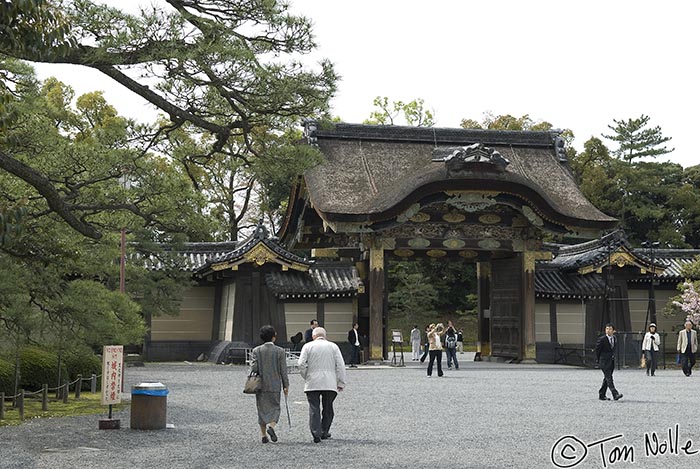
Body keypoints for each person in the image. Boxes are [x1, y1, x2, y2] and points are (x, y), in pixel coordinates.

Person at [298, 327, 347, 443]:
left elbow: (301, 364)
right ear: (325, 336)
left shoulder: (307, 346)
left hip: (312, 381)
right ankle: (324, 431)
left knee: (314, 407)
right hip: (329, 381)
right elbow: (340, 365)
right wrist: (341, 382)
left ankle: (316, 433)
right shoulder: (333, 346)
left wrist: (306, 375)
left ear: (313, 336)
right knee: (328, 407)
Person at [250, 325, 289, 444]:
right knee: (275, 407)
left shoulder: (256, 350)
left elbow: (254, 367)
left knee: (261, 409)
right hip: (274, 384)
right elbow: (283, 370)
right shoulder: (280, 351)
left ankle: (263, 435)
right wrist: (286, 385)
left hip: (261, 385)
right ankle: (271, 427)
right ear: (273, 337)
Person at [595, 323, 622, 401]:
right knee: (609, 378)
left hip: (611, 360)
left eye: (610, 329)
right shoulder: (602, 339)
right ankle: (615, 393)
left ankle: (601, 394)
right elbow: (598, 350)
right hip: (604, 361)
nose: (608, 330)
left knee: (606, 378)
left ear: (613, 330)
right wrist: (598, 360)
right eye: (607, 329)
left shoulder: (615, 338)